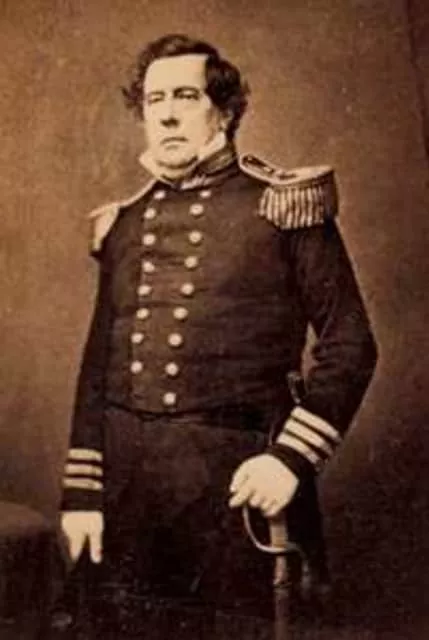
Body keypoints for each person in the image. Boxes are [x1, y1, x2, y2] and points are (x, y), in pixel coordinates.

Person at [57, 33, 377, 634]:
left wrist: (289, 460)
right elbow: (97, 365)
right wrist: (82, 495)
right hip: (127, 491)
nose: (167, 114)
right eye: (154, 100)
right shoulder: (124, 222)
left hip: (236, 483)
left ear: (224, 111)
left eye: (186, 96)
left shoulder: (284, 206)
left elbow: (350, 346)